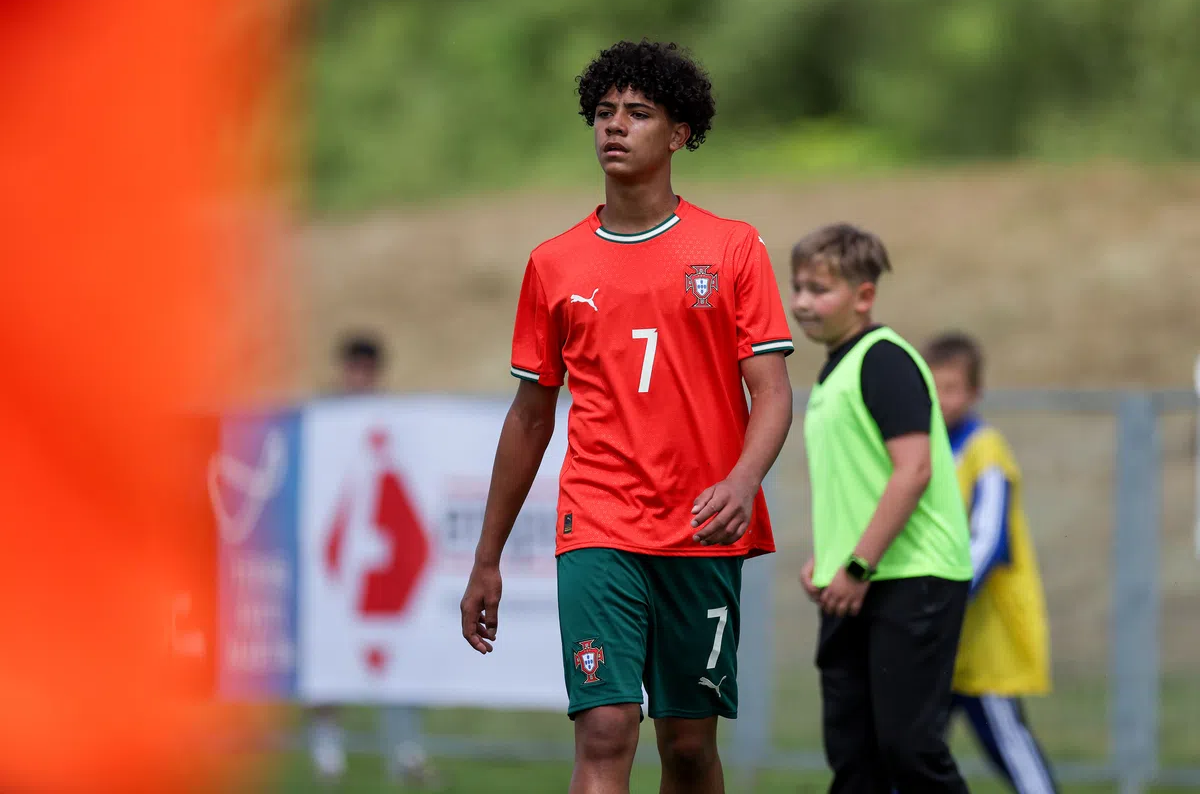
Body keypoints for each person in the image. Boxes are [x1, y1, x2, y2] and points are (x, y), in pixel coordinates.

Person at [459, 39, 795, 794]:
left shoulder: (732, 248)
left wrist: (743, 481)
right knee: (606, 729)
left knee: (687, 747)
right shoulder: (554, 263)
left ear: (679, 134)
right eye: (604, 111)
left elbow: (772, 392)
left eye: (639, 112)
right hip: (598, 520)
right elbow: (530, 418)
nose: (615, 125)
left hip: (701, 525)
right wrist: (487, 557)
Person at [791, 223, 973, 793]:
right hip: (855, 580)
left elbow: (913, 470)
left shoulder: (883, 360)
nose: (802, 303)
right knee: (854, 758)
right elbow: (857, 484)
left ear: (864, 295)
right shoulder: (836, 371)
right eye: (798, 288)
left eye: (819, 290)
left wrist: (857, 564)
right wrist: (828, 559)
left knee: (909, 749)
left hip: (911, 576)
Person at [924, 332, 1059, 794]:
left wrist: (942, 598)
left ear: (975, 393)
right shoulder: (922, 451)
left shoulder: (985, 449)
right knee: (911, 749)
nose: (941, 399)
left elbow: (989, 539)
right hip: (937, 641)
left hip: (983, 636)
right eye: (932, 387)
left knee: (1010, 744)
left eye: (951, 388)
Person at [307, 333, 438, 787]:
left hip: (385, 573)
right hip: (341, 565)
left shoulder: (395, 423)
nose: (359, 378)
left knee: (400, 658)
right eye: (353, 368)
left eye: (367, 369)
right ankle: (326, 753)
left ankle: (406, 751)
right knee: (326, 658)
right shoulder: (322, 421)